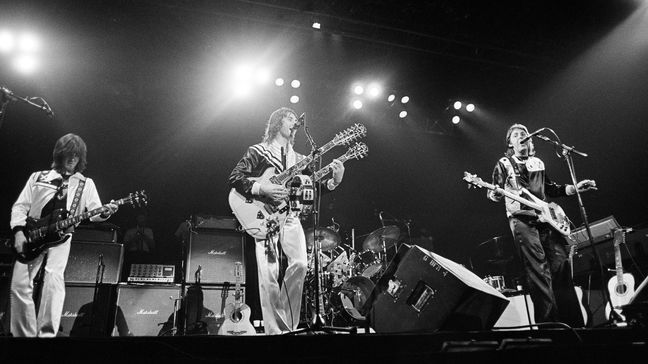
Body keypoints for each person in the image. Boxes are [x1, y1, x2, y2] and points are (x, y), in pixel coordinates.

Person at [229, 107, 345, 335]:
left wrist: (333, 182)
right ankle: (274, 331)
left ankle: (288, 327)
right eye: (289, 118)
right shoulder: (259, 151)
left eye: (295, 119)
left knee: (301, 265)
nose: (294, 122)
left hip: (291, 216)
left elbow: (311, 190)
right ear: (277, 122)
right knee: (268, 273)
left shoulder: (300, 158)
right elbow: (235, 177)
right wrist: (263, 188)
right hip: (264, 216)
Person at [9, 133, 118, 337]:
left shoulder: (86, 183)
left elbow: (95, 213)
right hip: (32, 235)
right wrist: (18, 233)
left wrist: (106, 211)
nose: (72, 159)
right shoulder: (38, 177)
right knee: (19, 284)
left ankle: (46, 334)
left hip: (62, 237)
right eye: (69, 154)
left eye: (76, 155)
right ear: (60, 154)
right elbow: (20, 207)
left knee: (53, 279)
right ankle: (23, 337)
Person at [487, 124, 596, 326]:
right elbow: (494, 191)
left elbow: (551, 189)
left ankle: (574, 324)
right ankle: (550, 326)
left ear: (531, 140)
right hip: (522, 219)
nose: (522, 137)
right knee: (539, 270)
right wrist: (494, 192)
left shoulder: (538, 162)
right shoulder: (504, 163)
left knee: (561, 265)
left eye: (525, 134)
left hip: (547, 220)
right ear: (510, 142)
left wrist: (576, 188)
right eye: (516, 135)